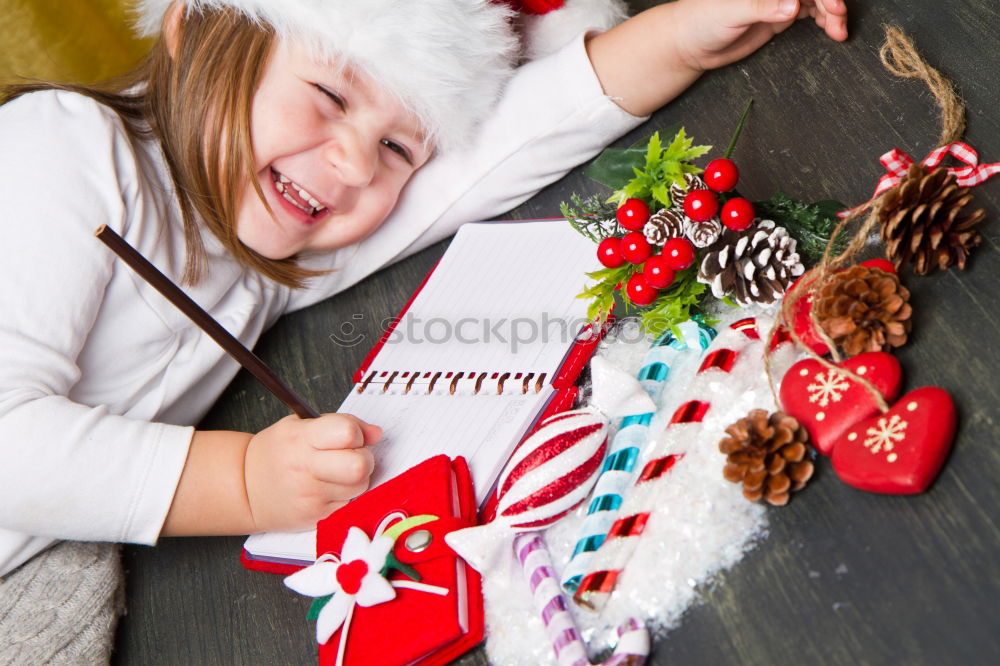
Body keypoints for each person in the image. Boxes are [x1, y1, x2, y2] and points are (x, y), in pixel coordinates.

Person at [0, 0, 848, 581]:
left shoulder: (272, 232)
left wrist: (681, 38)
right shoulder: (63, 147)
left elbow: (498, 151)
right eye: (329, 95)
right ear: (194, 25)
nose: (356, 163)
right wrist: (247, 483)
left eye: (401, 148)